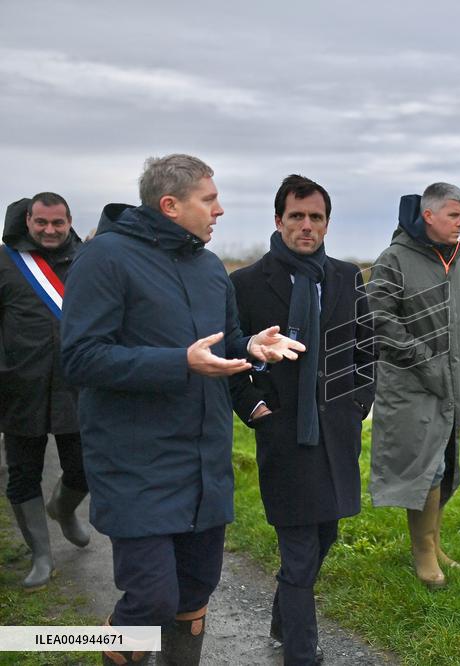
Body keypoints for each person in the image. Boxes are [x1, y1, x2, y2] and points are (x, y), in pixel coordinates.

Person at [61, 154, 304, 666]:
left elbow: (224, 342)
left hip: (205, 460)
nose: (220, 210)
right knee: (150, 599)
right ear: (170, 205)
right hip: (137, 460)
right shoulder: (104, 259)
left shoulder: (209, 267)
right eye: (209, 199)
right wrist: (179, 363)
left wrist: (251, 347)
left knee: (194, 593)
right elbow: (81, 358)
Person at [229, 175, 375, 665]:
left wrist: (358, 405)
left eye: (316, 217)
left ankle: (280, 615)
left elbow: (365, 348)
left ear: (327, 223)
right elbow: (231, 356)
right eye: (297, 216)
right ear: (278, 220)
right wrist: (253, 409)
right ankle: (300, 653)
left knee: (325, 536)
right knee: (297, 548)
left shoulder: (347, 276)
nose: (306, 226)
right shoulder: (247, 283)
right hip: (282, 433)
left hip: (336, 434)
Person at [367, 182, 460, 587]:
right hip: (411, 388)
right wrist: (423, 361)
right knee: (426, 468)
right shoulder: (394, 259)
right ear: (429, 215)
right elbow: (379, 319)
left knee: (447, 463)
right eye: (454, 215)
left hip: (454, 384)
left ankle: (432, 541)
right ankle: (423, 554)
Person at [1, 192, 90, 590]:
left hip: (77, 386)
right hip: (20, 386)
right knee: (23, 474)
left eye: (58, 223)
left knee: (85, 468)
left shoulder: (89, 261)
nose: (49, 230)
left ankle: (63, 508)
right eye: (42, 223)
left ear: (69, 221)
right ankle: (41, 555)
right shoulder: (5, 263)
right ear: (28, 221)